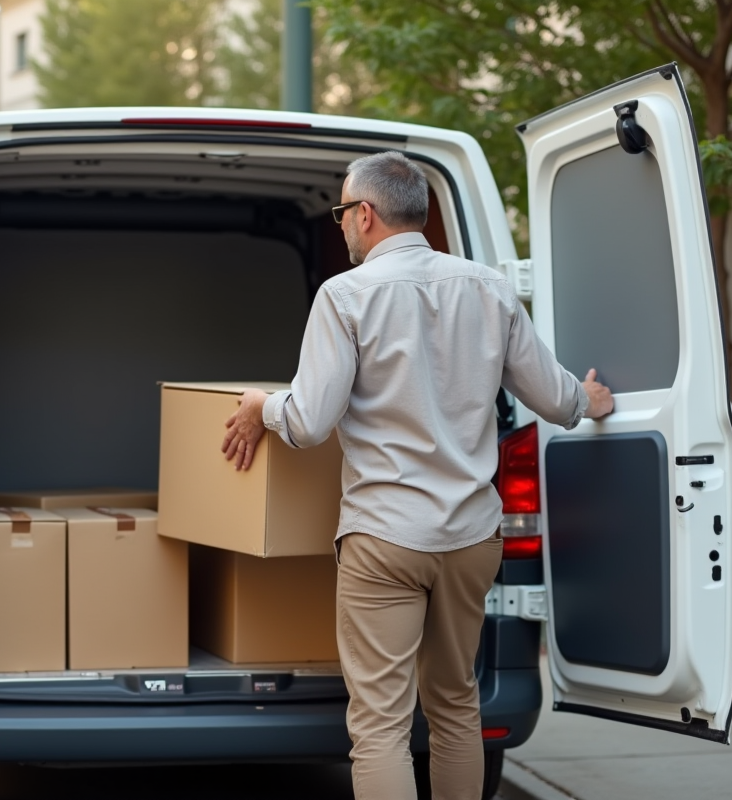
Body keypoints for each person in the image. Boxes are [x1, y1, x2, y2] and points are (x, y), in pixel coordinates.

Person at [221, 151, 614, 800]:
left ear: (366, 214)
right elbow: (555, 398)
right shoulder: (488, 287)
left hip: (386, 542)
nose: (341, 224)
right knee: (456, 702)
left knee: (380, 725)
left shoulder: (344, 297)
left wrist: (263, 407)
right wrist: (590, 402)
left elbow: (311, 420)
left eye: (343, 212)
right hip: (470, 540)